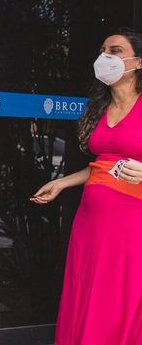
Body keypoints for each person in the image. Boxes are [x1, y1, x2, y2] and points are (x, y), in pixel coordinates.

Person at [31, 28, 142, 345]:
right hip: (91, 224)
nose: (106, 55)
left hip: (133, 224)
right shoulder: (99, 106)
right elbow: (101, 164)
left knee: (123, 299)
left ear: (139, 62)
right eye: (103, 48)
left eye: (116, 50)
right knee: (89, 294)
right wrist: (63, 182)